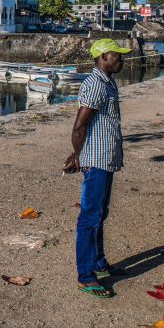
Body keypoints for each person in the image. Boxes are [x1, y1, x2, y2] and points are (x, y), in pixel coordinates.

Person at [63, 38, 131, 299]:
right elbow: (80, 125)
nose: (122, 60)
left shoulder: (108, 82)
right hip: (96, 159)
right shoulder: (94, 85)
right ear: (103, 57)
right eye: (118, 56)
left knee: (100, 213)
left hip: (106, 156)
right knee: (89, 217)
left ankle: (100, 264)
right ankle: (85, 275)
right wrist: (78, 155)